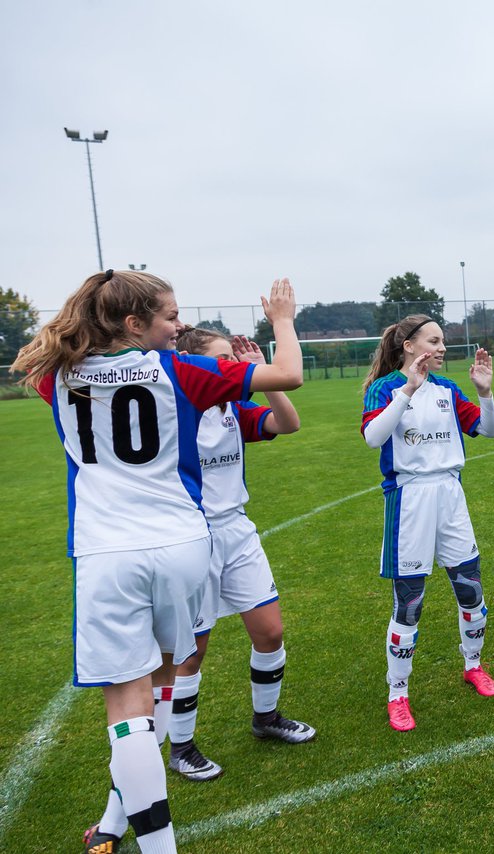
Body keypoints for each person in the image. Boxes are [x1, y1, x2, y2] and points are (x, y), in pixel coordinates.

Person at [14, 270, 302, 854]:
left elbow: (53, 346)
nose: (181, 325)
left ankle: (153, 843)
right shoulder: (180, 371)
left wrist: (103, 313)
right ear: (133, 322)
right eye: (170, 315)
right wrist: (282, 321)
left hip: (108, 552)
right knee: (163, 684)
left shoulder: (58, 375)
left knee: (127, 708)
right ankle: (115, 823)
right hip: (182, 547)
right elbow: (290, 374)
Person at [159, 327, 314, 784]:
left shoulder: (232, 408)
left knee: (270, 632)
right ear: (197, 367)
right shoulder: (177, 410)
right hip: (192, 537)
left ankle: (265, 719)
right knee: (191, 653)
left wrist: (264, 381)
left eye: (234, 360)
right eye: (222, 360)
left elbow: (287, 424)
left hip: (237, 532)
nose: (232, 368)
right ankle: (181, 747)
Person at [362, 315, 494, 733]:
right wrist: (408, 390)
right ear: (409, 346)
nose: (442, 348)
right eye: (434, 341)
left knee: (470, 589)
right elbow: (373, 438)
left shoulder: (448, 389)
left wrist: (486, 393)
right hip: (409, 500)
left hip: (451, 496)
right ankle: (398, 693)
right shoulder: (384, 388)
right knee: (409, 603)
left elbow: (488, 430)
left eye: (443, 341)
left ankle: (473, 665)